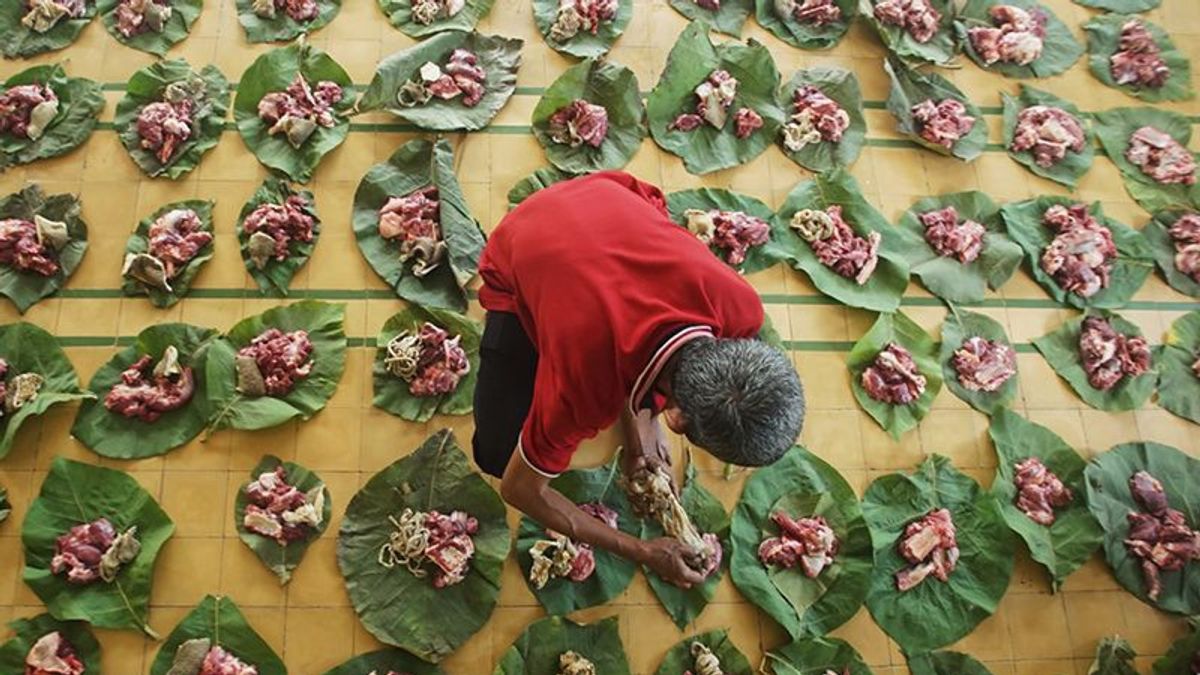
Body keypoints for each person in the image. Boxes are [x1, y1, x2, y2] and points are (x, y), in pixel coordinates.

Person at [473, 171, 805, 589]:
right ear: (677, 420)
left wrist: (637, 431)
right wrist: (643, 550)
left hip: (606, 195)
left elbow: (649, 341)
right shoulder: (583, 389)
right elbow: (520, 489)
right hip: (521, 238)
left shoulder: (740, 305)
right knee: (496, 453)